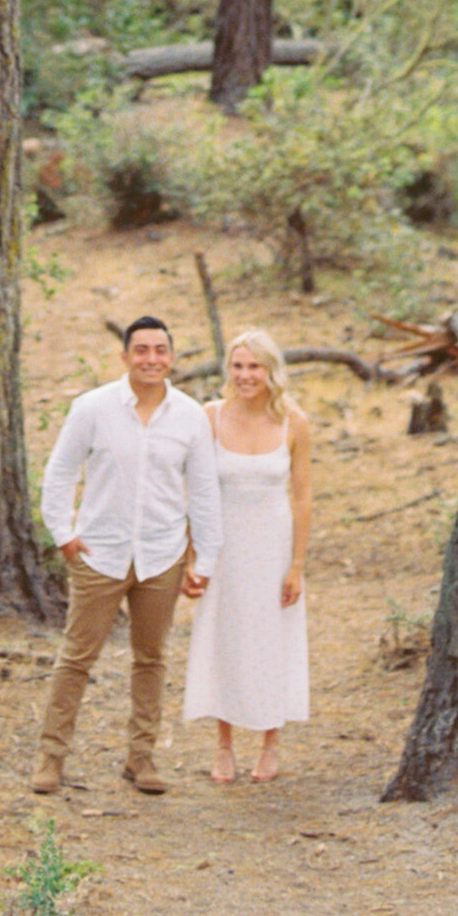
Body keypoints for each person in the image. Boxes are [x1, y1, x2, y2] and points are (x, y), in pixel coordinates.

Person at [33, 315, 223, 795]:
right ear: (124, 357)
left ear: (172, 358)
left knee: (151, 658)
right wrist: (63, 533)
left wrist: (205, 560)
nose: (151, 359)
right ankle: (51, 757)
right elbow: (59, 474)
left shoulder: (189, 417)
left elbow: (203, 491)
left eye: (160, 350)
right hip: (100, 553)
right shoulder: (92, 408)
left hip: (162, 555)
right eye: (141, 350)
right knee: (77, 656)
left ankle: (141, 759)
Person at [182, 324, 311, 782]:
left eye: (254, 365)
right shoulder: (210, 416)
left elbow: (301, 496)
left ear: (270, 370)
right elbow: (195, 490)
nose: (245, 374)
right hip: (225, 544)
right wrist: (195, 556)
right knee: (226, 637)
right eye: (237, 365)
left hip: (273, 544)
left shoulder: (295, 421)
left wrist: (296, 565)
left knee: (271, 638)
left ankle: (270, 742)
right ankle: (223, 743)